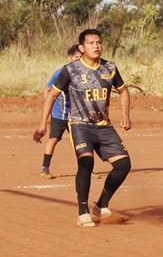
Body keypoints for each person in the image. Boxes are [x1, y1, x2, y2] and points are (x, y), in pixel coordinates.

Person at [33, 29, 132, 227]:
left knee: (123, 165)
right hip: (80, 125)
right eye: (91, 43)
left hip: (104, 126)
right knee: (86, 163)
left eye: (99, 42)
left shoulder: (110, 68)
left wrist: (125, 114)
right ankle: (83, 212)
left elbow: (123, 91)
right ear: (81, 47)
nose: (96, 46)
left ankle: (101, 205)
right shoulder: (70, 69)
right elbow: (52, 95)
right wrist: (43, 123)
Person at [40, 44, 82, 179]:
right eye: (76, 57)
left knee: (82, 142)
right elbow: (47, 90)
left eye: (81, 57)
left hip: (76, 115)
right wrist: (48, 113)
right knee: (53, 139)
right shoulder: (60, 73)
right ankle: (45, 169)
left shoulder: (84, 74)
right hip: (60, 114)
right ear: (69, 58)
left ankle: (86, 169)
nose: (78, 60)